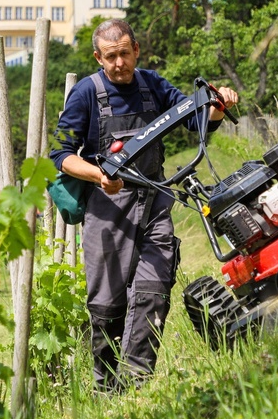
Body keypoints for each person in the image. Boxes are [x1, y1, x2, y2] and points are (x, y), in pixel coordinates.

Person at [50, 19, 238, 392]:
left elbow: (194, 121)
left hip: (154, 205)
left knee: (153, 290)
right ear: (98, 58)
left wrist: (217, 106)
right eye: (110, 57)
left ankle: (136, 382)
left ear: (136, 49)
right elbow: (61, 154)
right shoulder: (87, 93)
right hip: (107, 211)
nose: (119, 63)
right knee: (106, 307)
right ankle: (106, 389)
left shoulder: (153, 85)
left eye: (124, 53)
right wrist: (98, 175)